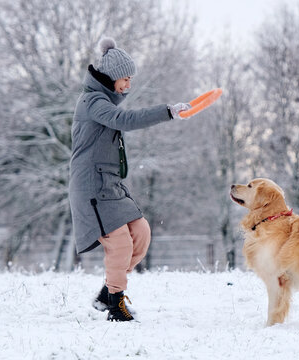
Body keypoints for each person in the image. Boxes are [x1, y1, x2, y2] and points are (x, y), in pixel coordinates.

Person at [69, 37, 191, 322]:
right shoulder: (92, 102)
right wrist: (168, 112)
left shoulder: (101, 101)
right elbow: (125, 120)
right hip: (91, 187)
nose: (129, 85)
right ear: (112, 77)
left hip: (109, 183)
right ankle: (116, 304)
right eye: (126, 78)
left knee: (141, 233)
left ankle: (106, 294)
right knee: (120, 243)